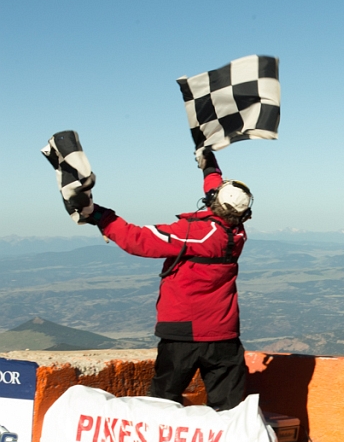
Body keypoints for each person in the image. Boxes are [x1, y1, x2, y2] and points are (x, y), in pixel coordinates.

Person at [81, 151, 253, 411]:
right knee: (228, 408)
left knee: (161, 401)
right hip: (224, 333)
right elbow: (217, 192)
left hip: (183, 330)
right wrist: (210, 166)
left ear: (213, 203)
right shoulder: (237, 233)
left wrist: (100, 216)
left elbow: (135, 239)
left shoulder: (195, 234)